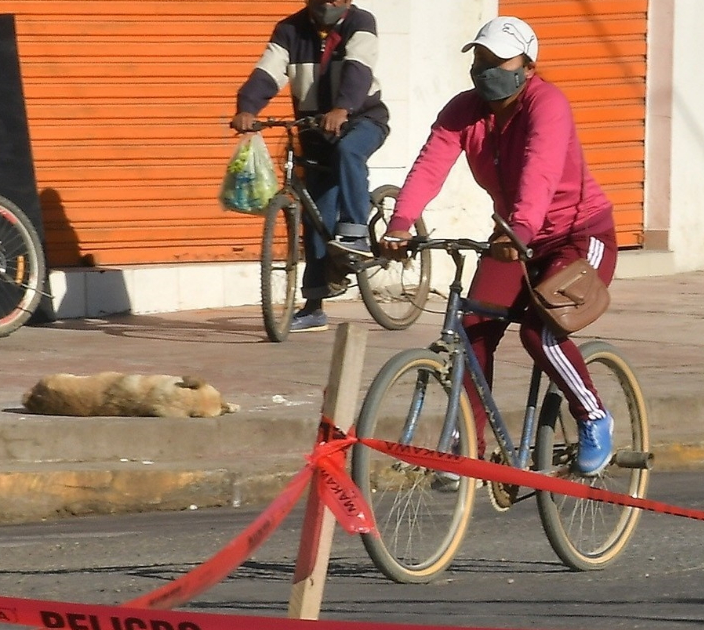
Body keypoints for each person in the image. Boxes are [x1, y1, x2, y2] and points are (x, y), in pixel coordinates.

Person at [381, 16, 619, 474]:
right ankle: (466, 443)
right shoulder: (464, 110)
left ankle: (593, 415)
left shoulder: (547, 104)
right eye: (480, 58)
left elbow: (540, 169)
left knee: (541, 330)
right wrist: (400, 224)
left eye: (498, 60)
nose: (486, 68)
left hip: (577, 234)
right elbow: (430, 164)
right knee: (471, 330)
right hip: (515, 237)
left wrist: (523, 229)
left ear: (528, 66)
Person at [230, 0, 390, 334]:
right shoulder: (290, 29)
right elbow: (268, 71)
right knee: (316, 210)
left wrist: (343, 108)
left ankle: (356, 233)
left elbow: (358, 69)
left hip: (362, 119)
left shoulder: (360, 22)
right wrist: (247, 107)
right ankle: (314, 305)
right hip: (314, 127)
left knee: (348, 151)